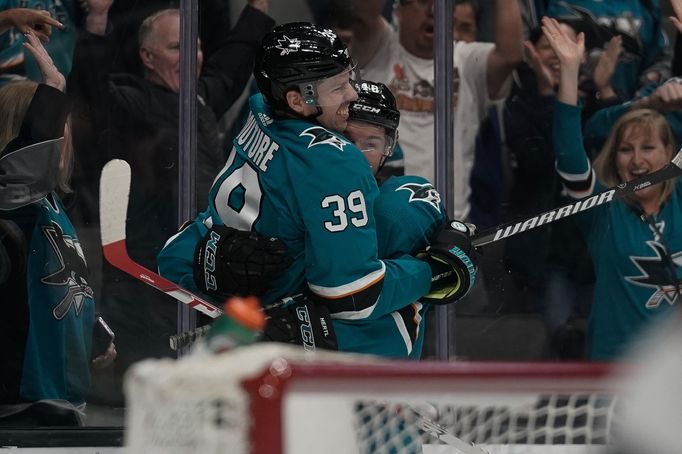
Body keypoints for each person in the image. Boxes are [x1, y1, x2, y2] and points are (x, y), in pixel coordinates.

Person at [158, 23, 477, 357]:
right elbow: (351, 296)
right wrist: (430, 272)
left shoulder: (261, 111)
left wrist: (203, 257)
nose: (352, 95)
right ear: (299, 99)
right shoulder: (334, 163)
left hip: (235, 305)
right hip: (304, 333)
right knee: (409, 202)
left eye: (349, 80)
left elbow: (173, 253)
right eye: (338, 87)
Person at [65, 0, 274, 397]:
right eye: (177, 47)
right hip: (142, 283)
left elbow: (234, 60)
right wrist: (96, 21)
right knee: (149, 396)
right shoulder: (129, 102)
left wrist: (256, 7)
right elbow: (89, 91)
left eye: (195, 47)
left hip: (201, 277)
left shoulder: (197, 100)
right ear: (147, 56)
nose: (193, 57)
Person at [543, 17, 681, 360]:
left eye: (648, 148)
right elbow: (570, 155)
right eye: (626, 148)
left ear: (670, 153)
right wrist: (571, 72)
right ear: (613, 157)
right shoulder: (604, 210)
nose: (636, 160)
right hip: (611, 377)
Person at [0, 30, 114, 426]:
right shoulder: (14, 204)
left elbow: (64, 286)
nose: (63, 135)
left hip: (61, 402)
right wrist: (53, 87)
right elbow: (21, 170)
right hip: (23, 409)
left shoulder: (49, 205)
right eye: (53, 124)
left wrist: (93, 328)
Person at [348, 0, 522, 220]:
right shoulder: (380, 46)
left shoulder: (466, 60)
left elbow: (510, 55)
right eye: (422, 2)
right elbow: (364, 13)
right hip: (381, 215)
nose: (433, 11)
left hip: (448, 221)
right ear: (399, 10)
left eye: (441, 5)